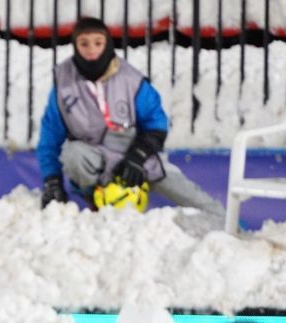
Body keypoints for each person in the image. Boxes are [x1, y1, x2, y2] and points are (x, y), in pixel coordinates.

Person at [36, 16, 225, 227]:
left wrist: (138, 156)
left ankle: (229, 227)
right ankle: (98, 207)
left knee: (194, 199)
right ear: (75, 46)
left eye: (98, 43)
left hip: (137, 155)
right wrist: (52, 180)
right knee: (72, 154)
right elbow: (49, 137)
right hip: (94, 156)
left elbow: (157, 123)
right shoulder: (63, 83)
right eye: (84, 43)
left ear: (107, 43)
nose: (91, 49)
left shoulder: (131, 79)